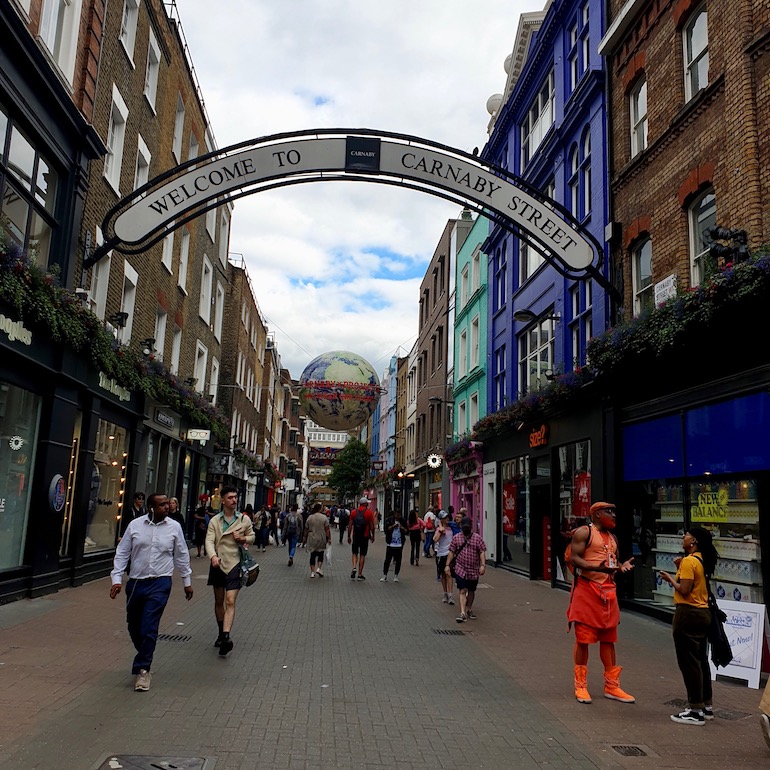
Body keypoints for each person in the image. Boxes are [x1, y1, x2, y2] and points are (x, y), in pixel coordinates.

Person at [109, 493, 192, 691]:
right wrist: (117, 579)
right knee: (134, 625)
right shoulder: (135, 526)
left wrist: (186, 581)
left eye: (167, 504)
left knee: (149, 626)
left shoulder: (174, 527)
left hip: (160, 582)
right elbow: (122, 553)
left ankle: (143, 669)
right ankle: (145, 652)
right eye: (162, 504)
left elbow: (181, 554)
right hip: (137, 582)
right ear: (151, 508)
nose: (167, 507)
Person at [566, 501, 635, 705]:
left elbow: (612, 562)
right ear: (596, 514)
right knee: (583, 640)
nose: (613, 515)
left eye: (614, 511)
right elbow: (574, 559)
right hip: (587, 591)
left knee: (609, 639)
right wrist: (600, 568)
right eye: (609, 512)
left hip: (608, 593)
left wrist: (621, 566)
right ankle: (580, 685)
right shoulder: (583, 533)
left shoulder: (612, 537)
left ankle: (612, 686)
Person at [659, 527, 718, 725]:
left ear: (693, 541)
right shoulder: (701, 560)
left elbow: (684, 591)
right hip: (703, 614)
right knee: (701, 661)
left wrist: (669, 578)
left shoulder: (689, 561)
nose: (682, 538)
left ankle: (695, 710)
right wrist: (679, 570)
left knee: (689, 663)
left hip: (688, 614)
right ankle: (706, 705)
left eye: (685, 535)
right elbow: (695, 586)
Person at [205, 485, 255, 656]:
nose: (234, 500)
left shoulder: (243, 520)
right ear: (223, 500)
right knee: (219, 601)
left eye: (235, 497)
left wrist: (243, 538)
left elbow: (252, 536)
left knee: (230, 600)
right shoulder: (215, 521)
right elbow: (209, 541)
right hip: (218, 563)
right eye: (230, 497)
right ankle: (221, 632)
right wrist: (212, 557)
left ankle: (226, 636)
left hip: (235, 563)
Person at [445, 516, 486, 623]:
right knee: (462, 590)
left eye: (467, 527)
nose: (465, 529)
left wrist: (483, 565)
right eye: (464, 527)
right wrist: (447, 565)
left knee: (471, 590)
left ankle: (469, 609)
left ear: (471, 527)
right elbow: (451, 552)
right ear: (461, 527)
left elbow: (482, 551)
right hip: (460, 568)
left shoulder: (477, 538)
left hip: (473, 569)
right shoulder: (457, 538)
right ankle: (462, 612)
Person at [348, 496, 376, 580]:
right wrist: (373, 536)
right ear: (365, 504)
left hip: (355, 535)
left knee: (354, 552)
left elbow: (350, 525)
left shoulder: (353, 512)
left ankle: (354, 567)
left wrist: (348, 536)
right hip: (365, 536)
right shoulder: (369, 513)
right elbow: (372, 526)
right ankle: (360, 574)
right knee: (362, 554)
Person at [302, 502, 331, 578]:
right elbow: (327, 529)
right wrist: (329, 538)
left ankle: (312, 572)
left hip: (312, 538)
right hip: (321, 537)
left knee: (312, 555)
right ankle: (319, 568)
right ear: (320, 509)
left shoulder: (310, 517)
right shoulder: (324, 517)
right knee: (321, 553)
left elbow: (306, 528)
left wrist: (304, 538)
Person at [433, 510, 455, 605]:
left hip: (450, 554)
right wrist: (441, 531)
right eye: (445, 518)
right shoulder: (439, 529)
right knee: (443, 575)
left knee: (449, 574)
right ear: (441, 519)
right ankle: (445, 593)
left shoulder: (451, 528)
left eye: (447, 517)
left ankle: (450, 595)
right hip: (441, 554)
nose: (447, 519)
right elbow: (435, 539)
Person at [381, 509, 407, 582]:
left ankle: (396, 575)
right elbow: (386, 529)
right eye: (396, 515)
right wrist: (393, 526)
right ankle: (385, 575)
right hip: (390, 543)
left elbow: (406, 531)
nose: (397, 516)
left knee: (398, 560)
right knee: (387, 560)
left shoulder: (403, 521)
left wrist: (402, 528)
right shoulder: (389, 520)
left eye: (398, 515)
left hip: (399, 544)